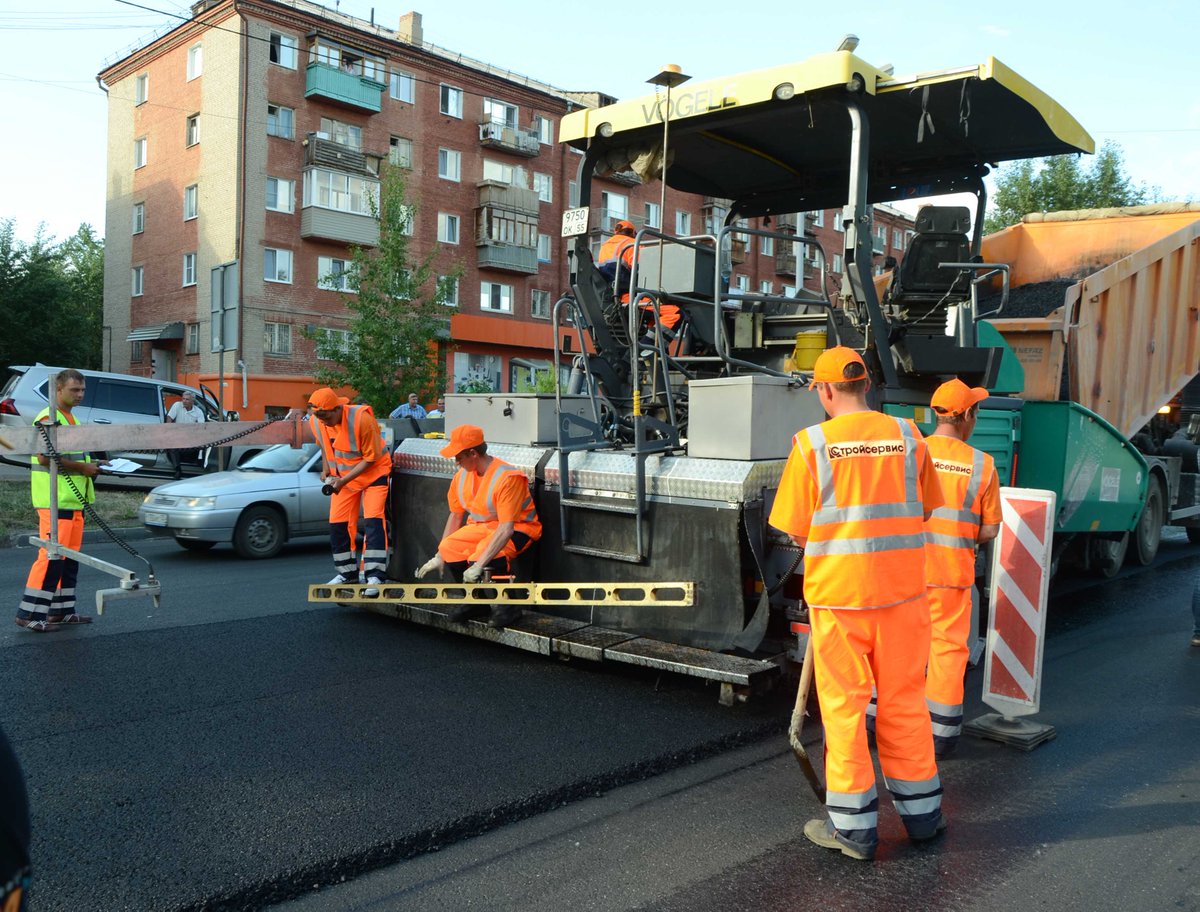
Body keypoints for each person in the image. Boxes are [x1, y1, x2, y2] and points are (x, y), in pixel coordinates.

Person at [769, 346, 945, 861]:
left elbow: (793, 529)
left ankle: (854, 832)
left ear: (825, 391)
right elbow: (927, 508)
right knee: (905, 705)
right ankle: (923, 818)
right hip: (904, 596)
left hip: (841, 601)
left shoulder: (811, 444)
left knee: (845, 711)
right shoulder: (911, 437)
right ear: (865, 385)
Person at [923, 378, 1001, 757]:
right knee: (948, 650)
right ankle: (939, 735)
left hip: (902, 574)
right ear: (968, 415)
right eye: (977, 411)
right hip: (950, 574)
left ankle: (876, 722)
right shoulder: (982, 465)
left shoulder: (910, 453)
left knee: (893, 647)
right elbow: (988, 529)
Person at [414, 424, 541, 627]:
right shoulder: (461, 477)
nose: (456, 463)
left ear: (473, 453)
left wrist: (479, 564)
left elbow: (506, 528)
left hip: (520, 528)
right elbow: (455, 516)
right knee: (449, 548)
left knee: (485, 551)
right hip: (484, 527)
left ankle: (509, 606)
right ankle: (476, 601)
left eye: (459, 457)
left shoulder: (508, 477)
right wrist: (440, 555)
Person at [16, 369, 108, 632]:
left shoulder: (70, 418)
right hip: (55, 501)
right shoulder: (48, 418)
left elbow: (71, 455)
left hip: (71, 501)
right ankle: (29, 613)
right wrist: (82, 469)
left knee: (68, 558)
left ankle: (62, 611)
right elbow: (45, 459)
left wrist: (96, 463)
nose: (79, 395)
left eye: (82, 390)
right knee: (51, 556)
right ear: (57, 390)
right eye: (74, 390)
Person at [309, 387, 392, 594]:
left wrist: (343, 480)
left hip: (373, 473)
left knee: (373, 521)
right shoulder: (317, 421)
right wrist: (326, 468)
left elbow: (371, 458)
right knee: (338, 524)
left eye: (327, 417)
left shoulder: (362, 420)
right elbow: (325, 445)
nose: (324, 422)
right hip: (344, 480)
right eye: (320, 417)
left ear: (338, 408)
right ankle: (347, 574)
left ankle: (375, 576)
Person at [596, 219, 681, 333]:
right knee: (675, 313)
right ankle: (649, 347)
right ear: (633, 233)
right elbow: (646, 269)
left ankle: (653, 345)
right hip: (629, 296)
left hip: (612, 295)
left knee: (656, 315)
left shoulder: (604, 246)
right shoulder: (632, 244)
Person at [165, 390, 206, 479]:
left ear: (192, 401)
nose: (184, 401)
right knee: (172, 447)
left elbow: (201, 428)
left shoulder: (198, 412)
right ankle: (178, 470)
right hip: (177, 438)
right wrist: (170, 431)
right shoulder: (177, 405)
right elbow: (169, 418)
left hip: (191, 441)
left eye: (187, 399)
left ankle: (202, 468)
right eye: (183, 399)